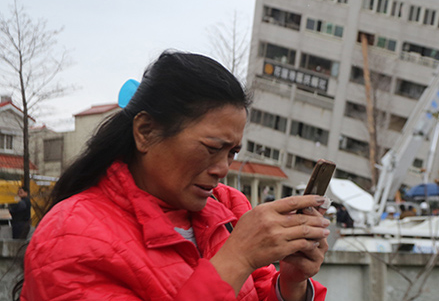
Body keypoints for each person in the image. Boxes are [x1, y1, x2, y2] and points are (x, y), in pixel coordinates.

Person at [19, 51, 329, 301]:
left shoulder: (227, 208)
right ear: (145, 132)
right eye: (212, 148)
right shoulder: (71, 237)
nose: (222, 168)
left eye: (231, 152)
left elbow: (258, 290)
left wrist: (291, 286)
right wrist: (236, 259)